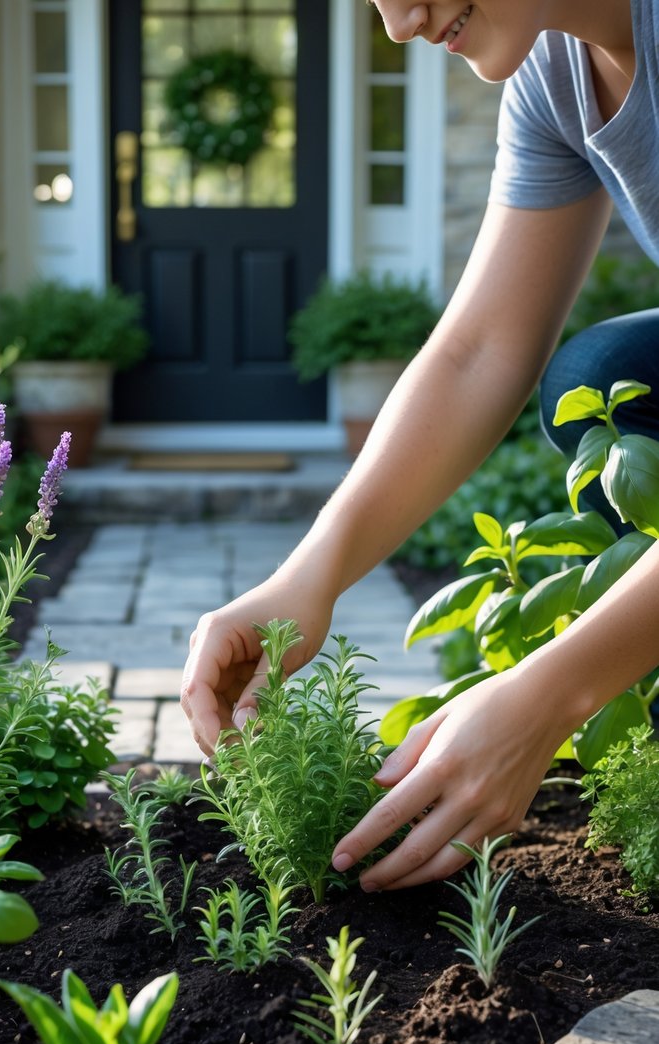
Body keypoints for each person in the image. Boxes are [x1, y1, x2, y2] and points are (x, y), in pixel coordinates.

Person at [181, 0, 659, 890]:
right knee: (599, 374)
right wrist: (305, 579)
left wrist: (551, 693)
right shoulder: (555, 73)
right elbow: (479, 352)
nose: (396, 22)